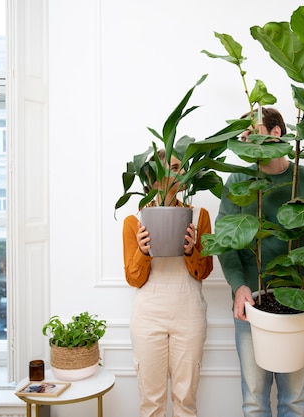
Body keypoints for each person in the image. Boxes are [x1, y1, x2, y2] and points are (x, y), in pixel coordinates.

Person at [217, 108, 304, 417]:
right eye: (243, 137)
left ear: (276, 133)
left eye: (253, 133)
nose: (248, 142)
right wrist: (238, 286)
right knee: (254, 399)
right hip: (252, 304)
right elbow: (224, 239)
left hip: (297, 302)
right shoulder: (240, 181)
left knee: (294, 399)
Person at [123, 150, 213, 417]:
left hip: (189, 316)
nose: (181, 172)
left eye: (181, 167)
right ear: (153, 177)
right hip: (148, 317)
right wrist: (143, 250)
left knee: (186, 402)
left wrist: (190, 250)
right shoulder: (135, 222)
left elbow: (204, 271)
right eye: (172, 168)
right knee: (151, 402)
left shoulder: (199, 217)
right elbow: (134, 278)